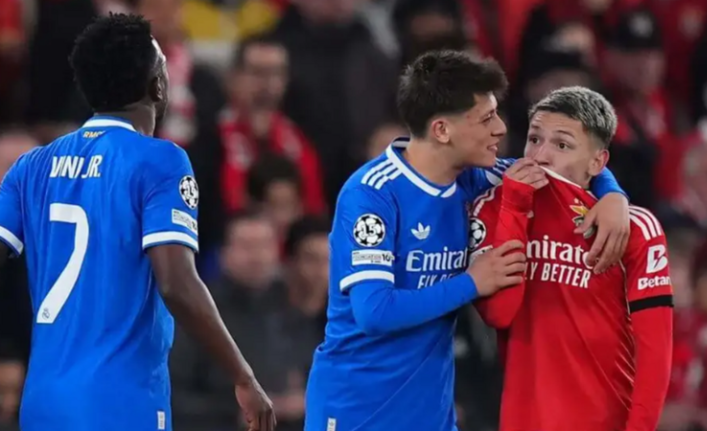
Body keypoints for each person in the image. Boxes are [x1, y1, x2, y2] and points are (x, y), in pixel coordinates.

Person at [304, 50, 631, 431]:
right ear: (442, 130)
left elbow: (559, 171)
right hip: (357, 410)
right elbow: (375, 312)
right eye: (486, 118)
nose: (501, 128)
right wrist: (473, 282)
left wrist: (613, 196)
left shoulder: (475, 178)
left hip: (431, 415)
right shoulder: (372, 195)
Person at [0, 14, 275, 431]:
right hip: (120, 402)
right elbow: (176, 284)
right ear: (158, 85)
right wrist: (243, 375)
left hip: (42, 403)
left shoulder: (31, 165)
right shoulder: (160, 161)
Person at [471, 86, 673, 431]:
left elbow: (655, 351)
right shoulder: (494, 208)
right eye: (534, 139)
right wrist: (515, 208)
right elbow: (499, 313)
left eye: (562, 145)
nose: (541, 156)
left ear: (598, 162)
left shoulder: (634, 227)